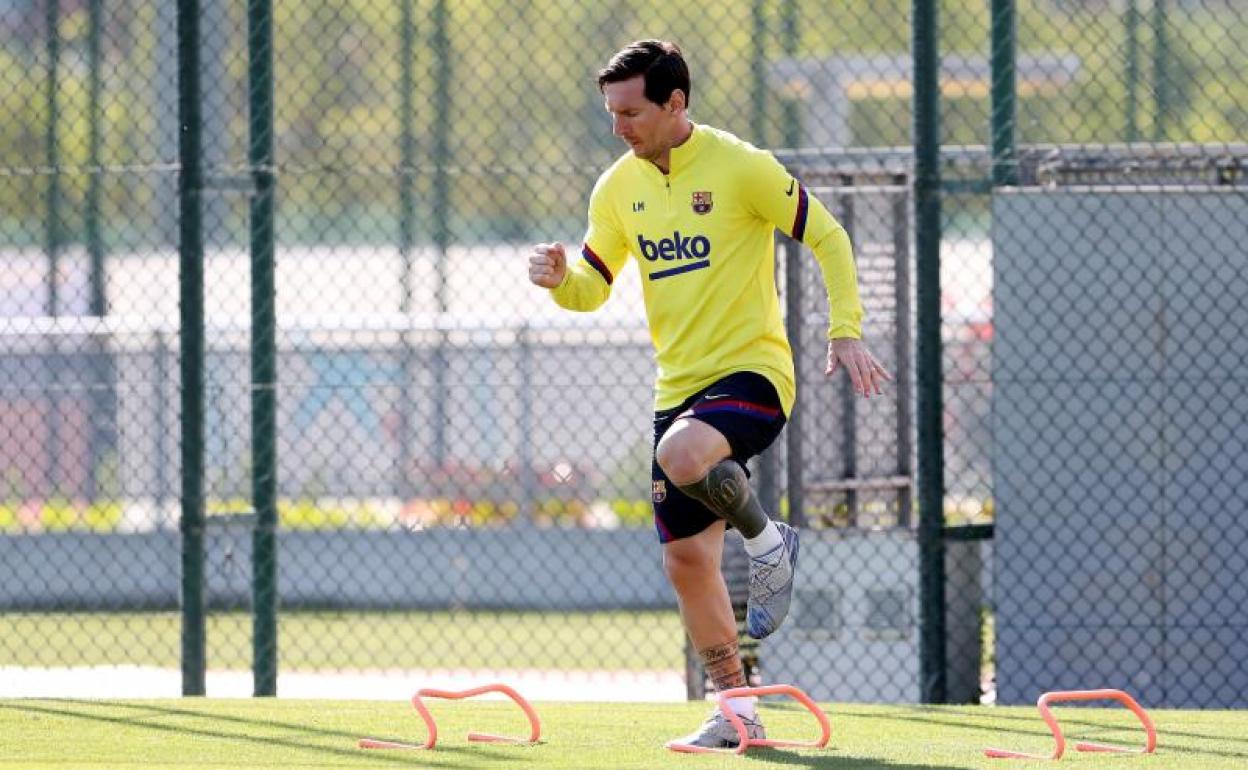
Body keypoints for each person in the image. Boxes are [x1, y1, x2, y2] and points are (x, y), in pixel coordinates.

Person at [528, 39, 890, 750]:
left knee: (683, 451)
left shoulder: (740, 167)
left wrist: (844, 328)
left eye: (630, 111)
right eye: (610, 113)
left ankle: (766, 539)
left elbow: (830, 235)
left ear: (675, 103)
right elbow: (593, 289)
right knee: (686, 561)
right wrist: (558, 280)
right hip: (680, 385)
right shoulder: (616, 188)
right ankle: (737, 711)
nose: (618, 126)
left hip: (754, 373)